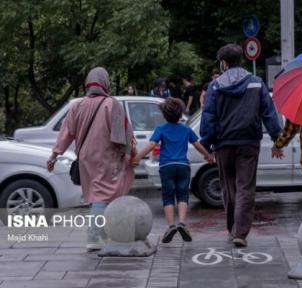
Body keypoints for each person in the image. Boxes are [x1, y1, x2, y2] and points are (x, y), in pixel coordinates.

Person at [200, 44, 282, 247]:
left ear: (223, 63)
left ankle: (231, 229)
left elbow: (208, 117)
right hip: (248, 143)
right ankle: (240, 233)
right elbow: (269, 113)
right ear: (241, 60)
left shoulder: (215, 86)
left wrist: (207, 144)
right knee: (245, 187)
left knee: (228, 188)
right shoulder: (256, 83)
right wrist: (276, 139)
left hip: (224, 145)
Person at [47, 67, 136, 252]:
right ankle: (95, 237)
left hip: (86, 158)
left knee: (98, 194)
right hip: (108, 156)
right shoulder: (111, 103)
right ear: (105, 82)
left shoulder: (77, 105)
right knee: (104, 194)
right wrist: (128, 154)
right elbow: (122, 133)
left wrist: (54, 155)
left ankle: (103, 234)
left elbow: (66, 133)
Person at [133, 97, 214, 243]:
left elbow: (151, 145)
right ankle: (182, 223)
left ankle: (171, 226)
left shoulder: (161, 129)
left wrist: (137, 157)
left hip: (166, 167)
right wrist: (208, 156)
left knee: (168, 196)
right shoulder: (186, 129)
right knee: (183, 195)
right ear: (180, 113)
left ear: (164, 115)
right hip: (183, 166)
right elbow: (197, 144)